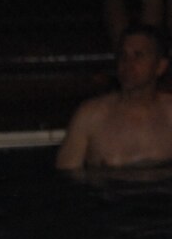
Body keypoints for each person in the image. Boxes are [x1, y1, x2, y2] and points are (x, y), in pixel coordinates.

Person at [55, 23, 172, 170]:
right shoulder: (91, 116)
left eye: (138, 55)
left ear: (160, 66)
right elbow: (67, 179)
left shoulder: (170, 114)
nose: (128, 63)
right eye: (123, 55)